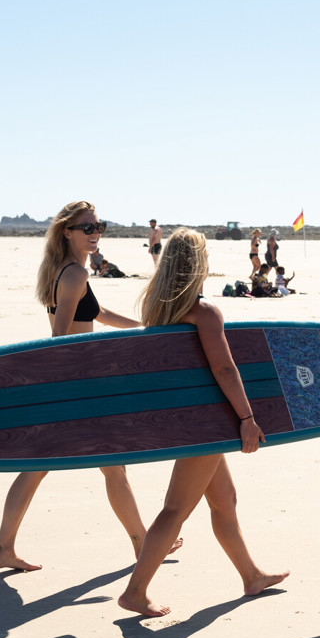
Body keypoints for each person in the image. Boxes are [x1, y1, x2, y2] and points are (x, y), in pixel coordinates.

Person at [0, 201, 179, 572]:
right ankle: (142, 543)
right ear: (67, 232)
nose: (95, 234)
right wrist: (80, 380)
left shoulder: (66, 271)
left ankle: (3, 549)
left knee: (44, 467)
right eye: (88, 228)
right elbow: (59, 338)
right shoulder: (74, 273)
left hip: (66, 384)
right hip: (74, 384)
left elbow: (98, 313)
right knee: (111, 465)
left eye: (99, 226)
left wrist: (145, 330)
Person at [118, 229, 288, 617]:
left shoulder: (156, 307)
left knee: (224, 500)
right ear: (198, 264)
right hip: (207, 423)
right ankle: (135, 590)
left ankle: (251, 575)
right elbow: (225, 368)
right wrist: (247, 418)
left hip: (187, 418)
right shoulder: (204, 310)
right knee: (176, 509)